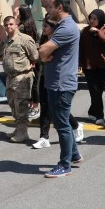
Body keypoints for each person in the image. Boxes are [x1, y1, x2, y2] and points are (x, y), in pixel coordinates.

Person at [39, 0, 83, 178]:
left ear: (60, 8)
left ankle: (64, 165)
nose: (47, 11)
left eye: (50, 7)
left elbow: (42, 50)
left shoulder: (66, 28)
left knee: (62, 125)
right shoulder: (63, 25)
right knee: (63, 122)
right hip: (58, 82)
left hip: (61, 84)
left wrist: (44, 54)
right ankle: (74, 154)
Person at [33, 16, 84, 149]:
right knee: (45, 106)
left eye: (46, 26)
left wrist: (43, 57)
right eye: (42, 26)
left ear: (53, 28)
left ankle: (75, 125)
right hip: (45, 76)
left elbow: (47, 57)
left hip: (58, 79)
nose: (43, 29)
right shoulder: (44, 39)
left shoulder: (59, 41)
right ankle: (44, 137)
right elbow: (41, 57)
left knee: (58, 109)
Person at [2, 15, 38, 143]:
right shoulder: (6, 40)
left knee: (21, 105)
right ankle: (18, 129)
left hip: (22, 76)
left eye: (11, 24)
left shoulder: (24, 39)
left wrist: (30, 66)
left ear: (16, 25)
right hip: (10, 77)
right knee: (13, 104)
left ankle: (23, 132)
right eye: (6, 25)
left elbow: (34, 55)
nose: (8, 27)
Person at [79, 9, 105, 124]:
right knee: (94, 90)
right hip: (89, 66)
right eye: (91, 18)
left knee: (99, 91)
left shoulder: (104, 29)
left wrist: (97, 32)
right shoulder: (85, 31)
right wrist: (80, 63)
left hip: (102, 65)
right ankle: (99, 115)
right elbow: (81, 47)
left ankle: (93, 111)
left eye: (95, 19)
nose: (92, 20)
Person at [14, 5, 40, 121]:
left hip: (28, 59)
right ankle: (34, 106)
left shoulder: (22, 27)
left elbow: (12, 33)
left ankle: (34, 107)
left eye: (17, 12)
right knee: (34, 82)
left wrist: (14, 18)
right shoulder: (31, 24)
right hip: (33, 57)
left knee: (31, 83)